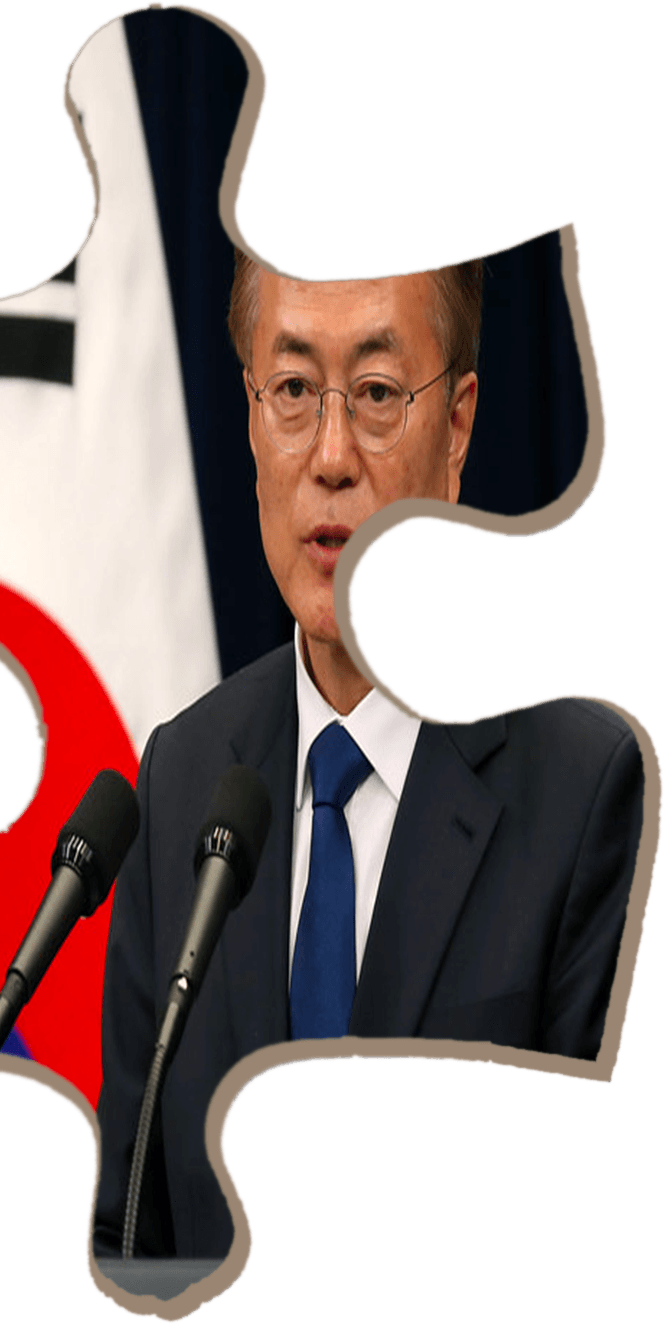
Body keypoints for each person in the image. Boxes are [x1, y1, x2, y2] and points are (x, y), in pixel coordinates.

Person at [92, 253, 643, 1260]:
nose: (330, 455)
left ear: (458, 425)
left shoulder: (585, 790)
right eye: (293, 390)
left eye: (379, 393)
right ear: (250, 416)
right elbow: (127, 1229)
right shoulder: (180, 781)